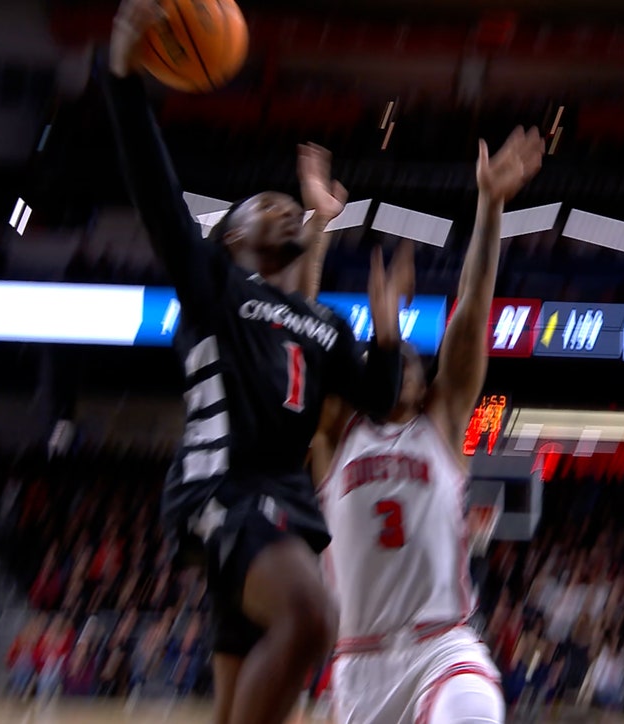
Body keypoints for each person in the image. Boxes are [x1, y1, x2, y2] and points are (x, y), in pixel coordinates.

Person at [100, 2, 404, 722]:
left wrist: (388, 334)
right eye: (264, 204)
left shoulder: (324, 323)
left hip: (286, 506)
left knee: (248, 702)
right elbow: (153, 188)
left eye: (286, 206)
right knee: (312, 617)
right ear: (229, 236)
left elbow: (383, 401)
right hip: (223, 490)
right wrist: (120, 74)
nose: (283, 209)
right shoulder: (212, 284)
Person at [305, 128, 543, 723]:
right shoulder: (336, 436)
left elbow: (472, 311)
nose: (408, 360)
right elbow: (296, 335)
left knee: (474, 709)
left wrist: (490, 210)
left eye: (416, 359)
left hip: (442, 646)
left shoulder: (438, 422)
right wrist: (316, 229)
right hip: (358, 664)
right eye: (394, 356)